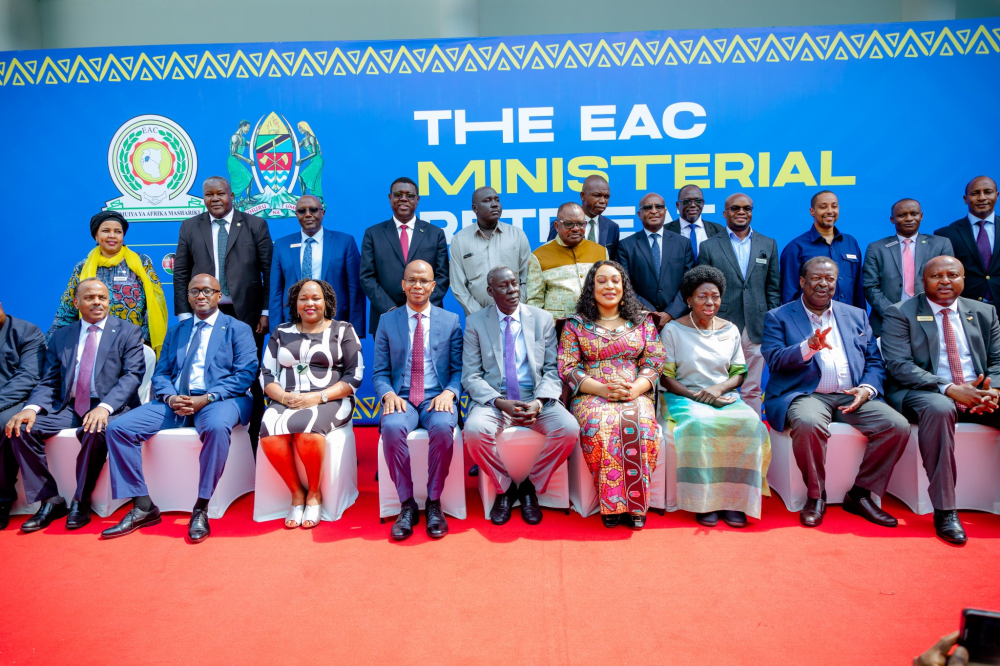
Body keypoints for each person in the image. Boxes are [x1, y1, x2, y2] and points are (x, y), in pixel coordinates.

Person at [102, 274, 258, 543]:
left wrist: (208, 397)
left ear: (219, 296)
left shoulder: (238, 329)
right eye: (195, 291)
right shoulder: (177, 331)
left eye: (208, 291)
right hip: (177, 401)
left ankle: (200, 506)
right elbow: (161, 374)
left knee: (217, 427)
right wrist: (171, 398)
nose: (201, 295)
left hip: (219, 400)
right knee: (118, 427)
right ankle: (143, 505)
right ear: (187, 296)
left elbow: (245, 374)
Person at [762, 257, 910, 528]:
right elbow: (774, 359)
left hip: (851, 393)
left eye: (830, 279)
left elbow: (874, 360)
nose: (823, 284)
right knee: (807, 423)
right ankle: (816, 496)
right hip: (805, 394)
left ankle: (861, 494)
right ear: (802, 281)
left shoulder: (855, 314)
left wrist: (866, 388)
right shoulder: (778, 317)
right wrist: (808, 347)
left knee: (896, 426)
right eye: (816, 278)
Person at [5, 280, 144, 532]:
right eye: (89, 297)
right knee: (21, 429)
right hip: (68, 406)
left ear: (108, 301)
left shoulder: (128, 332)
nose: (97, 302)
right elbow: (50, 380)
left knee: (95, 430)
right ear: (76, 303)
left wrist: (105, 407)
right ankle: (51, 499)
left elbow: (132, 376)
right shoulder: (61, 336)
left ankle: (81, 500)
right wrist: (30, 408)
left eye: (102, 297)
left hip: (109, 407)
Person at [880, 256, 1000, 545]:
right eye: (937, 276)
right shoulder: (900, 313)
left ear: (963, 279)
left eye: (953, 275)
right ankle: (945, 510)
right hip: (925, 393)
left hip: (979, 390)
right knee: (940, 408)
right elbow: (899, 366)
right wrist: (949, 388)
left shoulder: (985, 311)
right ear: (923, 281)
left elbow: (997, 361)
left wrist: (993, 390)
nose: (945, 281)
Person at [462, 266, 579, 526]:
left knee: (569, 428)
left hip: (535, 396)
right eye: (504, 286)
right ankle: (505, 488)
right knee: (473, 431)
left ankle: (528, 486)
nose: (512, 290)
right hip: (496, 399)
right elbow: (471, 376)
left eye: (515, 284)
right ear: (490, 291)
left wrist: (539, 402)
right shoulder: (476, 323)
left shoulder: (541, 318)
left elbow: (552, 370)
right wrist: (499, 402)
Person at [660, 266, 772, 527]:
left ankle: (736, 501)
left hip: (724, 395)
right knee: (700, 425)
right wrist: (699, 396)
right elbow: (665, 377)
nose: (710, 302)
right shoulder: (673, 331)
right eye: (702, 296)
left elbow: (739, 372)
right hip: (683, 397)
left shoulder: (731, 329)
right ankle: (705, 501)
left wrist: (718, 390)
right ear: (688, 299)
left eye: (715, 296)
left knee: (750, 424)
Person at [558, 260, 666, 528]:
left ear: (624, 286)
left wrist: (635, 389)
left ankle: (637, 503)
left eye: (615, 280)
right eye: (602, 280)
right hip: (591, 395)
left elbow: (654, 362)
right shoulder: (575, 325)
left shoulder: (642, 321)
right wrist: (603, 390)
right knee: (602, 425)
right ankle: (613, 504)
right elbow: (568, 367)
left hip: (635, 391)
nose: (609, 286)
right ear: (591, 288)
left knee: (641, 424)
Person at [173, 176, 272, 447]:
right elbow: (181, 273)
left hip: (247, 315)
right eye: (209, 195)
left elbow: (269, 272)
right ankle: (210, 424)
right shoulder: (190, 226)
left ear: (232, 196)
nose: (215, 199)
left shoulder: (255, 225)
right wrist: (184, 314)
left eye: (221, 194)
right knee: (205, 369)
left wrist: (265, 311)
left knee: (249, 375)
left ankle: (255, 439)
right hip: (202, 314)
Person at [259, 278, 363, 530]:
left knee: (307, 430)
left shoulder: (342, 329)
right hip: (288, 398)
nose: (309, 303)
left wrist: (318, 397)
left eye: (316, 298)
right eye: (303, 298)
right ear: (295, 303)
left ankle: (314, 494)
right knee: (269, 431)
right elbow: (267, 374)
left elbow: (354, 375)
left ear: (326, 302)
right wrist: (283, 397)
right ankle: (296, 493)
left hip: (331, 399)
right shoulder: (281, 331)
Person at [373, 260, 462, 540]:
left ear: (434, 286)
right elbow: (379, 372)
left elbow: (461, 369)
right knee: (390, 428)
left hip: (437, 397)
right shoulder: (388, 321)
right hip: (402, 398)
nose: (418, 286)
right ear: (403, 285)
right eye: (412, 280)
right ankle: (407, 505)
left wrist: (450, 392)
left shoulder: (450, 321)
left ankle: (434, 503)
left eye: (424, 281)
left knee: (442, 428)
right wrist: (388, 394)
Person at [696, 193, 781, 417]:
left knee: (752, 388)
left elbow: (773, 288)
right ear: (725, 213)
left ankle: (753, 432)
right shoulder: (709, 247)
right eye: (735, 208)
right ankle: (724, 433)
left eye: (747, 208)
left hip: (757, 327)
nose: (741, 212)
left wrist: (771, 324)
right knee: (721, 385)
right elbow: (703, 292)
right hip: (721, 326)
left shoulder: (768, 244)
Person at [49, 211, 168, 355]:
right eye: (106, 231)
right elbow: (68, 308)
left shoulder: (141, 263)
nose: (112, 235)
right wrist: (50, 343)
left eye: (117, 231)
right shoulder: (83, 267)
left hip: (134, 345)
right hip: (93, 343)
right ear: (96, 236)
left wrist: (142, 339)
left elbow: (155, 303)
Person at [360, 176, 449, 336]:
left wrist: (421, 306)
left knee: (429, 362)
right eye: (398, 194)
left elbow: (443, 276)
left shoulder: (435, 234)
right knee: (388, 362)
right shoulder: (373, 234)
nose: (403, 199)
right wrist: (391, 310)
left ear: (417, 199)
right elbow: (367, 277)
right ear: (390, 197)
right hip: (386, 317)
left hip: (427, 317)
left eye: (409, 196)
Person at [270, 195, 366, 337]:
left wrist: (355, 330)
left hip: (335, 321)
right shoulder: (281, 245)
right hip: (293, 322)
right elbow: (276, 291)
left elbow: (355, 289)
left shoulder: (345, 242)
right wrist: (276, 330)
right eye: (302, 211)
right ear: (296, 215)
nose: (308, 214)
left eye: (313, 210)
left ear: (323, 213)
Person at [863, 198, 954, 336]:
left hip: (931, 320)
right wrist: (893, 313)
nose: (909, 218)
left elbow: (948, 283)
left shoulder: (940, 244)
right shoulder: (876, 248)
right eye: (902, 215)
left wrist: (928, 311)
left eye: (913, 213)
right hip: (887, 322)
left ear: (921, 216)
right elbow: (870, 287)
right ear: (892, 219)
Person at [0, 303, 48, 530]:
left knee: (4, 425)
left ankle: (2, 500)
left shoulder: (26, 331)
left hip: (17, 400)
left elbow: (28, 377)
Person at [617, 192, 695, 329]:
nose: (653, 211)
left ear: (665, 212)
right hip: (641, 321)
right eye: (648, 208)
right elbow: (624, 285)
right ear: (639, 214)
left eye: (658, 207)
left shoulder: (683, 244)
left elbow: (689, 284)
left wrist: (670, 313)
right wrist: (650, 313)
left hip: (679, 320)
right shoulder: (626, 246)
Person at [450, 187, 532, 316]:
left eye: (497, 200)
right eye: (487, 200)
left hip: (515, 316)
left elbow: (527, 278)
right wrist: (480, 315)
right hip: (478, 319)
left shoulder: (517, 235)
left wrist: (515, 308)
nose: (494, 204)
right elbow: (458, 287)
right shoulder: (460, 240)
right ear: (474, 208)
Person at [779, 190, 866, 308]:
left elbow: (858, 288)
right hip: (811, 320)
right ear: (812, 211)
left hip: (847, 319)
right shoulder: (796, 248)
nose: (830, 211)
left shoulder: (850, 243)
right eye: (823, 207)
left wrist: (860, 320)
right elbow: (789, 294)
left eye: (834, 206)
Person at [527, 202, 608, 319]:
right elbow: (534, 302)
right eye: (569, 224)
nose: (575, 229)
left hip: (595, 326)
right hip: (556, 329)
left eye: (581, 224)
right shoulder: (539, 256)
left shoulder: (600, 251)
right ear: (556, 225)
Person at [935, 176, 999, 304]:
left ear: (997, 195)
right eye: (975, 193)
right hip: (965, 310)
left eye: (987, 192)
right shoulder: (946, 234)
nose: (981, 198)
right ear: (965, 199)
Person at [546, 174, 620, 260]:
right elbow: (550, 256)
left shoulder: (612, 227)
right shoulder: (562, 224)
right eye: (597, 195)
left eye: (606, 196)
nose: (603, 201)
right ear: (583, 196)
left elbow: (612, 263)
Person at [665, 184, 726, 262]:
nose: (693, 205)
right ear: (677, 205)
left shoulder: (719, 230)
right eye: (687, 202)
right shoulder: (665, 231)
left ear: (703, 204)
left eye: (698, 201)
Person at [227, 120, 254, 203]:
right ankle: (234, 200)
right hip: (233, 162)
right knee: (245, 179)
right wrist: (247, 160)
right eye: (247, 128)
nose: (248, 130)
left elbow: (253, 145)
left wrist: (257, 133)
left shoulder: (242, 139)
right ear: (242, 126)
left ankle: (248, 198)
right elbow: (233, 153)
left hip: (237, 162)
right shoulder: (235, 137)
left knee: (249, 178)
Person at [295, 121, 324, 199]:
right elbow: (295, 148)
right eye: (298, 128)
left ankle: (306, 197)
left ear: (305, 127)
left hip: (317, 161)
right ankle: (304, 197)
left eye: (300, 128)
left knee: (307, 178)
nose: (299, 130)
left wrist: (302, 160)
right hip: (313, 161)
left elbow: (314, 153)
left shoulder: (312, 138)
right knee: (306, 178)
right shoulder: (304, 140)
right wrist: (290, 135)